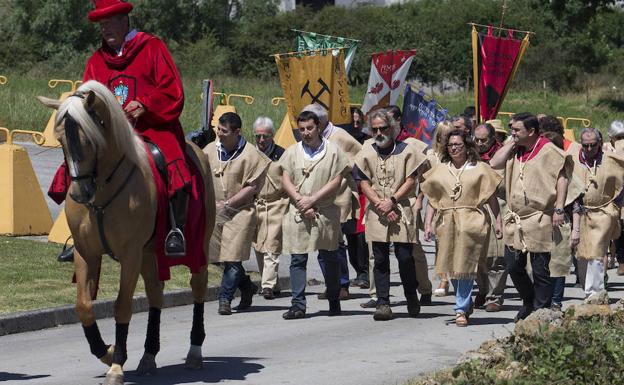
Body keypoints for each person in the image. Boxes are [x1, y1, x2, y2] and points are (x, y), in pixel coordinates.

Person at [49, 0, 191, 258]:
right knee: (78, 159)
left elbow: (173, 89)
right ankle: (81, 233)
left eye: (108, 23)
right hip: (109, 133)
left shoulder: (152, 48)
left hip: (151, 127)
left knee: (169, 159)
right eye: (101, 25)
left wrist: (146, 104)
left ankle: (175, 228)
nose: (104, 29)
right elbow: (86, 99)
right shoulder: (96, 60)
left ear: (124, 20)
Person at [489, 112, 571, 321]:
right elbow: (494, 163)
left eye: (516, 129)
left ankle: (540, 311)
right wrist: (510, 143)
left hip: (539, 216)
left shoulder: (549, 149)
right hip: (515, 217)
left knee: (540, 268)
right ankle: (529, 300)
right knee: (512, 264)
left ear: (532, 131)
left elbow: (562, 178)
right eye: (511, 129)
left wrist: (559, 208)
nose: (512, 133)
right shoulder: (515, 149)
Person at [422, 130, 502, 327]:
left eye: (458, 144)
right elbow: (433, 199)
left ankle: (460, 308)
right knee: (451, 265)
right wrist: (427, 223)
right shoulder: (441, 169)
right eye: (450, 145)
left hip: (471, 221)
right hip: (446, 221)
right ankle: (465, 303)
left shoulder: (480, 168)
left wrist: (498, 222)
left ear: (466, 146)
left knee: (465, 265)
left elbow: (492, 198)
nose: (454, 148)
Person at [355, 108, 429, 320]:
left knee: (405, 257)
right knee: (379, 259)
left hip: (401, 208)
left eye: (383, 128)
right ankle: (383, 302)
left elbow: (412, 179)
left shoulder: (407, 150)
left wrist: (393, 201)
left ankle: (410, 297)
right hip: (377, 210)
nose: (379, 133)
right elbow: (363, 181)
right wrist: (380, 204)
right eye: (375, 129)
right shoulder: (366, 151)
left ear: (393, 128)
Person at [280, 111, 352, 319]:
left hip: (325, 211)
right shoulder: (292, 151)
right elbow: (285, 178)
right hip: (298, 210)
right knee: (297, 258)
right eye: (301, 129)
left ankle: (333, 299)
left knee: (330, 257)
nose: (306, 133)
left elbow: (336, 181)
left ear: (318, 127)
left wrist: (313, 200)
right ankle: (298, 305)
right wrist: (301, 202)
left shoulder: (333, 151)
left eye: (310, 128)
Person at [204, 112, 269, 315]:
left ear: (237, 132)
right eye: (218, 130)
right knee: (217, 257)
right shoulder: (209, 151)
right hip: (215, 211)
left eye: (224, 131)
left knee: (233, 258)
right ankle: (247, 286)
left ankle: (225, 299)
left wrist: (229, 203)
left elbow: (253, 187)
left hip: (241, 211)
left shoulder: (252, 155)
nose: (219, 134)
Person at [301, 104, 361, 301]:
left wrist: (344, 171)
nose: (307, 129)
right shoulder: (309, 139)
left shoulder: (340, 136)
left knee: (336, 242)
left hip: (339, 195)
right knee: (321, 242)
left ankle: (342, 284)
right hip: (315, 196)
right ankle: (330, 283)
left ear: (320, 122)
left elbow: (360, 157)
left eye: (312, 123)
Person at [572, 128, 624, 296]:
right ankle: (588, 287)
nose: (588, 149)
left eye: (592, 145)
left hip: (603, 212)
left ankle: (596, 292)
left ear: (600, 143)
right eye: (585, 145)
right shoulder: (574, 160)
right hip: (580, 212)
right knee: (582, 253)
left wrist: (616, 204)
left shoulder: (611, 159)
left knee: (597, 250)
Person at [473, 123, 507, 312]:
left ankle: (495, 296)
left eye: (483, 140)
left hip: (499, 208)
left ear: (493, 138)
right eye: (476, 139)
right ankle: (483, 290)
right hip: (476, 209)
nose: (479, 143)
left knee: (496, 256)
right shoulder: (470, 157)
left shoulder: (504, 156)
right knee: (478, 255)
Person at [252, 117, 287, 300]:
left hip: (277, 203)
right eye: (258, 136)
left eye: (265, 136)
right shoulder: (249, 154)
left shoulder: (282, 154)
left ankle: (266, 286)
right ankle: (275, 284)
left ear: (272, 136)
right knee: (259, 246)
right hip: (256, 204)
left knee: (272, 245)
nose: (261, 140)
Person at [426, 121, 456, 298]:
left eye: (450, 134)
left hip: (457, 202)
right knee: (441, 244)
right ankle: (444, 279)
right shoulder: (431, 156)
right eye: (443, 135)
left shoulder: (458, 154)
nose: (447, 139)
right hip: (438, 204)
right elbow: (424, 183)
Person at [347, 107, 371, 289]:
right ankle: (357, 271)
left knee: (362, 236)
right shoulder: (340, 141)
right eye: (352, 121)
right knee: (351, 236)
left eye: (358, 121)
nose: (356, 125)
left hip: (365, 192)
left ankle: (365, 273)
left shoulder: (368, 142)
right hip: (347, 194)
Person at [607, 121, 624, 276]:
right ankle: (621, 260)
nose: (621, 140)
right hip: (613, 194)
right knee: (616, 230)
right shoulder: (606, 148)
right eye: (618, 137)